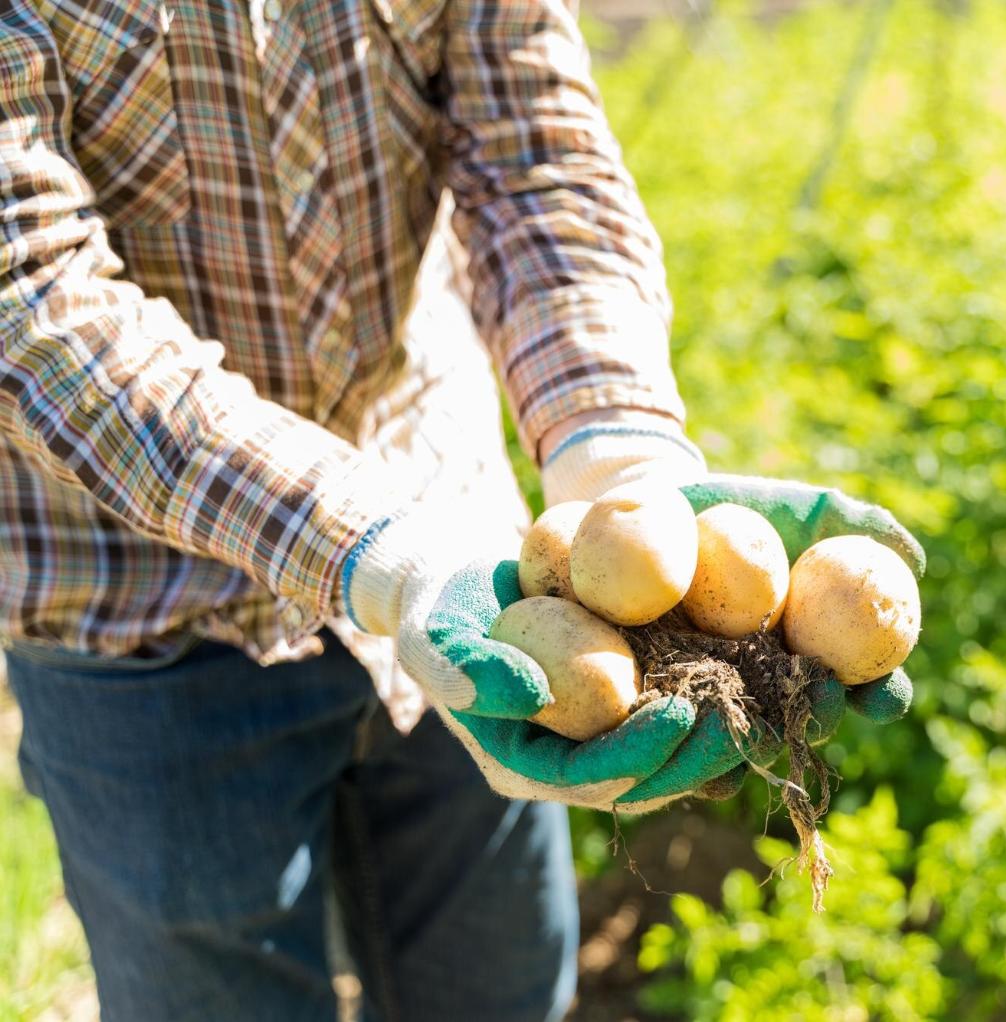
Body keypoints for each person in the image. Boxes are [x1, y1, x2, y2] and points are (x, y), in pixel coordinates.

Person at [0, 0, 923, 1018]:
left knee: (501, 985)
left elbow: (536, 160)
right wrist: (379, 554)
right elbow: (31, 295)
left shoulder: (506, 610)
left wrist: (614, 447)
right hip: (142, 611)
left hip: (468, 581)